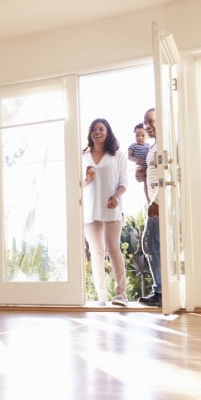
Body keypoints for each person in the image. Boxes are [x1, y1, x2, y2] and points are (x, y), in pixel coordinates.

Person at [81, 118, 129, 307]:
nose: (97, 132)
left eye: (101, 129)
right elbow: (79, 184)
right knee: (96, 252)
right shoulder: (83, 156)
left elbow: (124, 182)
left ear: (108, 132)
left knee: (113, 249)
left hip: (111, 206)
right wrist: (87, 178)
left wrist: (116, 197)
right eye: (93, 129)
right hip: (90, 208)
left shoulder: (117, 155)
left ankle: (121, 294)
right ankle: (102, 296)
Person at [135, 108, 162, 306]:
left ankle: (161, 292)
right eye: (146, 123)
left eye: (151, 121)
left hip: (161, 203)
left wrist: (157, 201)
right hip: (154, 202)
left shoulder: (168, 145)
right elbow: (151, 173)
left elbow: (169, 173)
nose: (148, 126)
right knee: (151, 243)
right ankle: (161, 290)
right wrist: (142, 173)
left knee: (150, 242)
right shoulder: (154, 147)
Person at [128, 123, 151, 202]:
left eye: (142, 135)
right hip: (140, 167)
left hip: (147, 168)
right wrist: (135, 160)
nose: (139, 138)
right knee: (144, 181)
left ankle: (151, 198)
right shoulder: (133, 146)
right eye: (137, 136)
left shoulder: (148, 146)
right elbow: (129, 157)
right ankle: (148, 199)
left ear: (147, 136)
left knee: (147, 182)